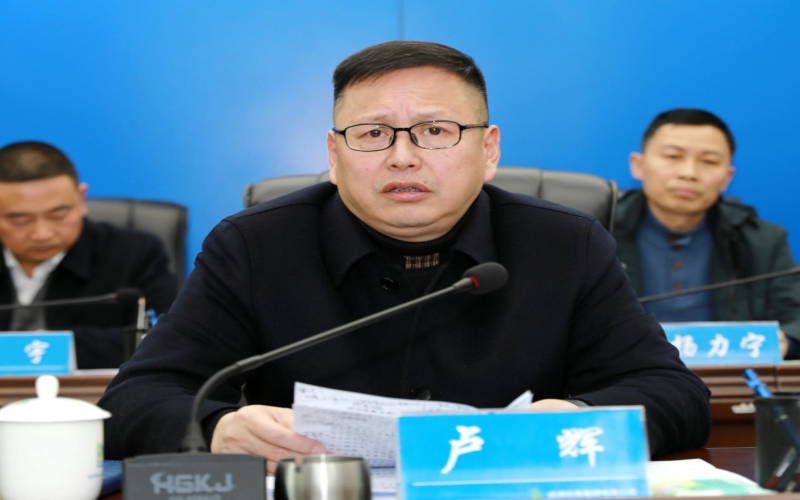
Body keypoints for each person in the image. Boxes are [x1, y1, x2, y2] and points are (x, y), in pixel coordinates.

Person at [99, 41, 710, 467]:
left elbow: (674, 393)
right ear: (334, 156)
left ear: (489, 151)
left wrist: (574, 414)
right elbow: (133, 401)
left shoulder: (565, 243)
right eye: (372, 134)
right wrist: (218, 427)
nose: (402, 157)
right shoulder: (255, 246)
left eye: (436, 131)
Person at [614, 109, 800, 358]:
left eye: (709, 161)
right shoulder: (597, 232)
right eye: (673, 156)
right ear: (638, 165)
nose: (689, 173)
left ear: (727, 178)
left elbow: (795, 318)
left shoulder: (762, 239)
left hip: (730, 378)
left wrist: (786, 341)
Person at [0, 141, 178, 368]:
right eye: (20, 219)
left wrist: (42, 348)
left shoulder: (136, 253)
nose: (42, 233)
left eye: (58, 214)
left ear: (81, 198)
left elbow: (164, 339)